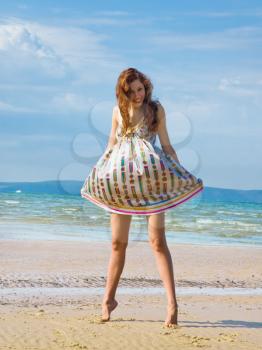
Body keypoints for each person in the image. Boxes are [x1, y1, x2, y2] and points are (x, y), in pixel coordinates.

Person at [81, 67, 204, 327]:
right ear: (123, 92)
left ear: (146, 87)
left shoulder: (155, 110)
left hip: (152, 182)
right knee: (117, 243)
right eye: (133, 91)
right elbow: (111, 145)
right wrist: (99, 170)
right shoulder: (118, 112)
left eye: (141, 89)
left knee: (157, 241)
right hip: (121, 183)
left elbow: (167, 144)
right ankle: (108, 300)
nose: (138, 94)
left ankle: (172, 304)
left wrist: (180, 172)